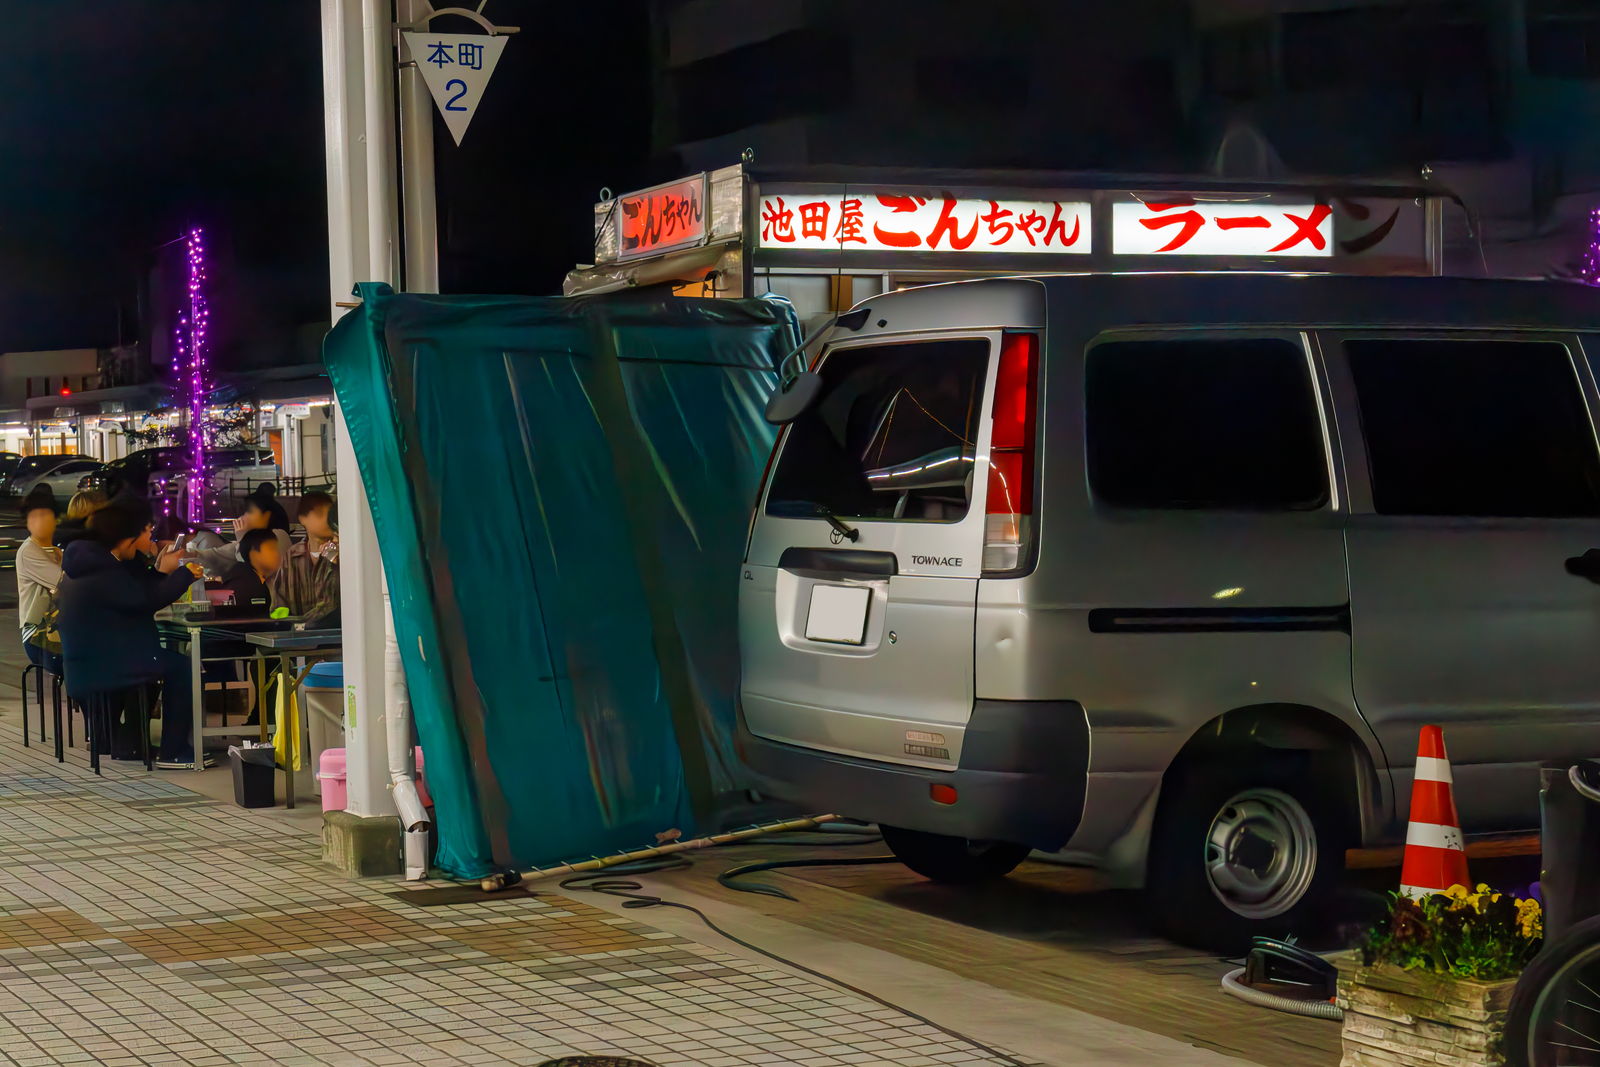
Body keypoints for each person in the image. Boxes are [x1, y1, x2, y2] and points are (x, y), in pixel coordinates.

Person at [56, 497, 208, 767]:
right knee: (183, 667)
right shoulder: (102, 569)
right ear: (127, 537)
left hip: (91, 661)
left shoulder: (90, 562)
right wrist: (182, 575)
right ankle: (174, 750)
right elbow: (143, 601)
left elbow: (136, 596)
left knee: (162, 664)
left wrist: (163, 572)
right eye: (147, 532)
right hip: (105, 664)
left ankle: (132, 742)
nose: (150, 538)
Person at [184, 482, 291, 578]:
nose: (243, 516)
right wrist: (187, 554)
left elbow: (252, 574)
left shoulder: (279, 536)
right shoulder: (249, 540)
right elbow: (214, 555)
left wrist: (242, 538)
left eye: (249, 512)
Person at [271, 491, 339, 625]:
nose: (326, 520)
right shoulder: (293, 554)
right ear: (303, 519)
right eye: (320, 514)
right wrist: (281, 619)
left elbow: (331, 603)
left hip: (333, 633)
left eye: (329, 514)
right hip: (298, 636)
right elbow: (280, 597)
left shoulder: (338, 552)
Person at [15, 486, 62, 673]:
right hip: (39, 634)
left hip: (57, 631)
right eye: (33, 517)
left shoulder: (55, 550)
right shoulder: (29, 551)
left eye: (44, 515)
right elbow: (63, 581)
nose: (39, 521)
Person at [221, 528, 282, 613]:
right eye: (271, 549)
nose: (278, 554)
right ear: (254, 553)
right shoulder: (248, 586)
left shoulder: (250, 576)